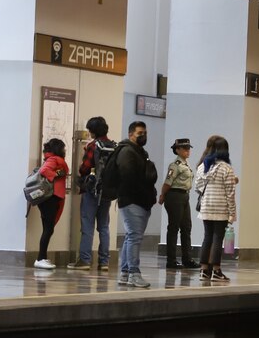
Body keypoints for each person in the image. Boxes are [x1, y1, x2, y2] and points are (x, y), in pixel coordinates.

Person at [68, 117, 114, 271]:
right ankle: (104, 262)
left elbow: (84, 169)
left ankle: (85, 260)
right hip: (107, 191)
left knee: (87, 225)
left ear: (93, 130)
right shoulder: (113, 146)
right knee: (104, 227)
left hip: (91, 190)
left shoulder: (93, 146)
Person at [116, 121, 158, 288]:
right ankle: (134, 273)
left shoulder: (140, 152)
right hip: (132, 200)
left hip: (141, 200)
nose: (143, 136)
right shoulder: (127, 152)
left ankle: (125, 273)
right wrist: (143, 192)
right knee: (134, 236)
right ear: (131, 134)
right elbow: (129, 177)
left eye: (145, 132)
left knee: (130, 236)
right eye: (140, 133)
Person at [195, 135, 237, 282]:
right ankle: (217, 271)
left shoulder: (202, 167)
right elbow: (230, 193)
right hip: (221, 209)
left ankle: (204, 271)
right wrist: (232, 213)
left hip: (206, 207)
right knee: (217, 239)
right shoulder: (226, 168)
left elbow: (198, 187)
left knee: (207, 237)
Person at [160, 138, 199, 269]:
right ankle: (171, 260)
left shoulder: (185, 165)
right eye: (185, 148)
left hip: (184, 196)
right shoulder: (175, 165)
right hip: (174, 195)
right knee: (173, 228)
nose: (188, 151)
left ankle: (187, 259)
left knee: (186, 227)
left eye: (189, 148)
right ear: (177, 150)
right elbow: (167, 182)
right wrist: (162, 195)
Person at [34, 139, 69, 270]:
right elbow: (44, 171)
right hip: (51, 198)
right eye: (63, 148)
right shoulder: (53, 160)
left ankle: (42, 256)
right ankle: (40, 258)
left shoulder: (51, 159)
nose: (65, 150)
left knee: (48, 229)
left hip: (49, 198)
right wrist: (55, 175)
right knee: (48, 229)